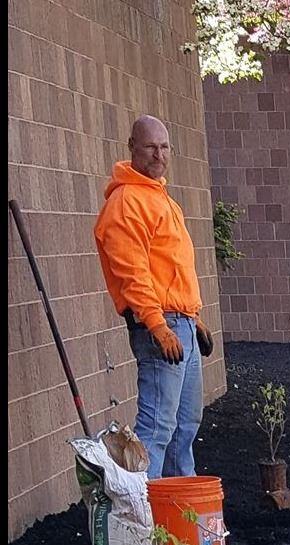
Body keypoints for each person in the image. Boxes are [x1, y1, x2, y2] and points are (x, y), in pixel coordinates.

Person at [93, 115, 214, 480]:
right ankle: (145, 520)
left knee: (185, 425)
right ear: (132, 147)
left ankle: (180, 515)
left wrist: (195, 318)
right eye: (150, 146)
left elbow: (172, 268)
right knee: (157, 428)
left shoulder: (161, 199)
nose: (158, 154)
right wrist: (159, 327)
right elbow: (134, 274)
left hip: (183, 325)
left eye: (164, 147)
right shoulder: (127, 202)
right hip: (159, 326)